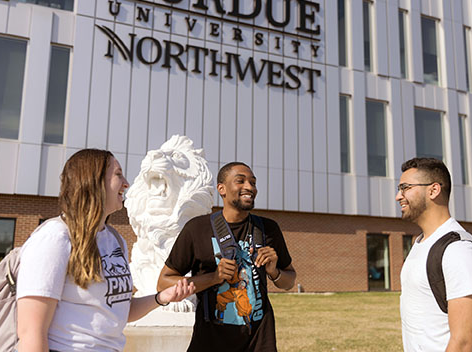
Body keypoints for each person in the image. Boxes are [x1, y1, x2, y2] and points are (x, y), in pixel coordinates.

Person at [16, 149, 195, 352]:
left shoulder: (114, 240)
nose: (126, 183)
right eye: (118, 174)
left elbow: (118, 310)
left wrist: (161, 297)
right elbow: (31, 331)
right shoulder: (54, 238)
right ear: (94, 181)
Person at [158, 162, 296, 351]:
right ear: (221, 189)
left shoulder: (268, 229)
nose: (249, 187)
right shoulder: (197, 229)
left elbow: (289, 282)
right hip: (209, 342)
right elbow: (163, 283)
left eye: (253, 183)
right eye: (240, 181)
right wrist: (213, 278)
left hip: (259, 341)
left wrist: (274, 271)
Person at [397, 158, 472, 351]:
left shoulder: (458, 250)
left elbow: (464, 342)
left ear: (433, 190)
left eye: (405, 187)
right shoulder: (420, 243)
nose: (398, 196)